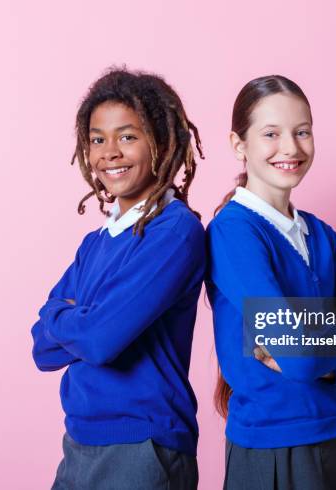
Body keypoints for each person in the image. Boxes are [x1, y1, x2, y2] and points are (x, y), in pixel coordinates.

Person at [206, 75, 336, 490]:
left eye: (303, 132)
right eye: (271, 133)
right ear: (239, 145)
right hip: (272, 451)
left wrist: (321, 362)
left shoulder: (321, 234)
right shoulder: (233, 233)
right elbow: (300, 357)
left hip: (335, 437)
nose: (291, 147)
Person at [30, 67, 205, 490]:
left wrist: (67, 316)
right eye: (97, 138)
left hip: (144, 447)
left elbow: (99, 341)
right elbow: (41, 349)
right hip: (79, 442)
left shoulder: (174, 232)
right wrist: (77, 319)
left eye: (128, 136)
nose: (110, 151)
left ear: (161, 143)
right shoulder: (95, 243)